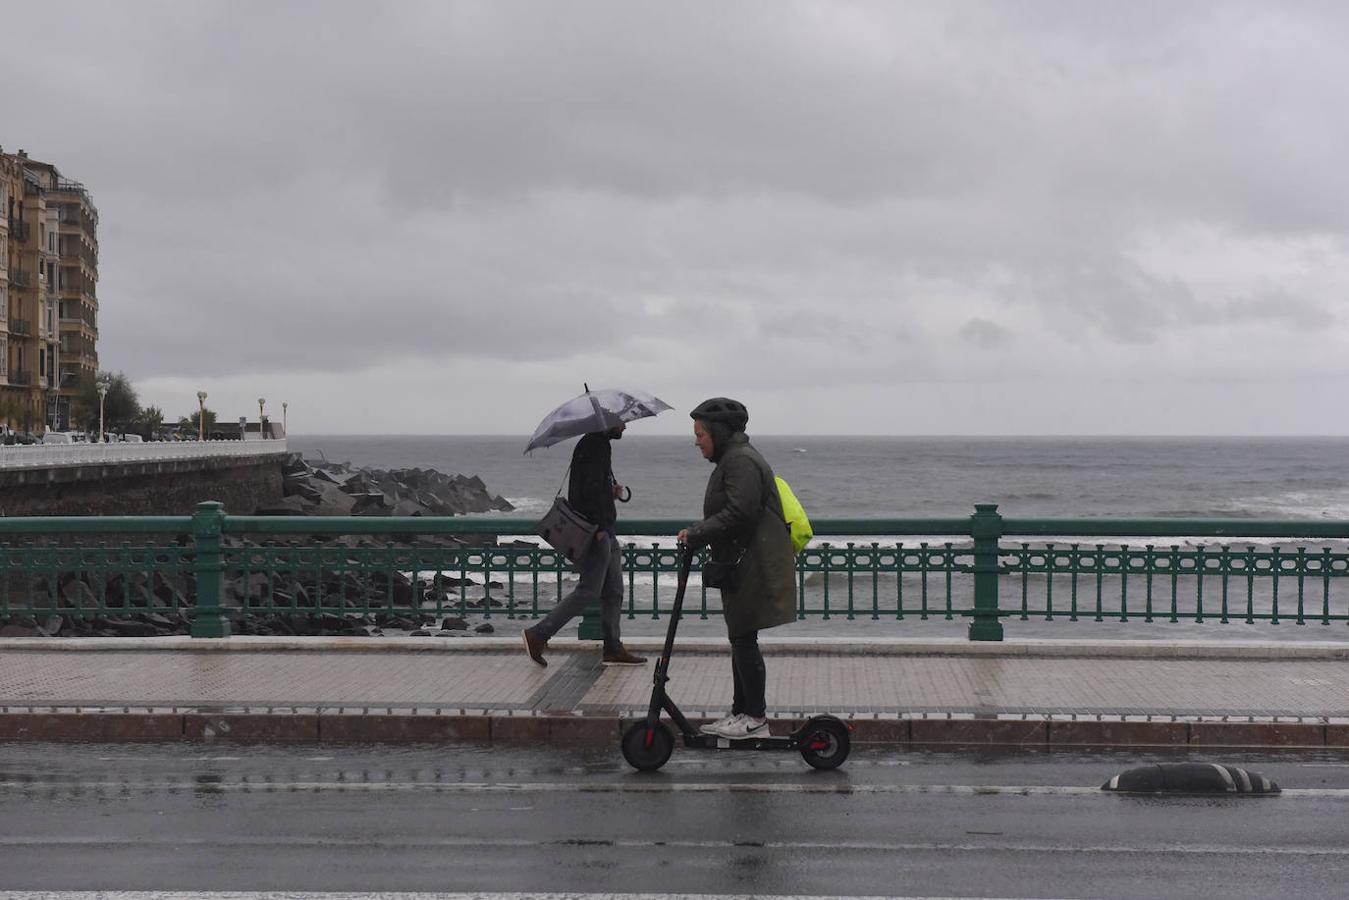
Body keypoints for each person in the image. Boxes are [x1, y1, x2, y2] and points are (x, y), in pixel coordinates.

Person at [677, 398, 796, 739]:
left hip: (753, 563)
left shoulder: (740, 461)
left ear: (717, 431)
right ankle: (741, 712)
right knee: (740, 637)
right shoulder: (734, 459)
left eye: (700, 434)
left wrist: (697, 533)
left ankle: (755, 718)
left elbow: (740, 512)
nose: (696, 441)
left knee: (744, 638)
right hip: (743, 561)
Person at [522, 422, 647, 667]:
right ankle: (538, 635)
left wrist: (610, 492)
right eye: (621, 422)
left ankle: (613, 647)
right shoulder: (594, 446)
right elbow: (587, 493)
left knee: (613, 591)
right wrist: (599, 528)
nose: (624, 427)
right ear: (606, 421)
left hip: (606, 530)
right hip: (597, 532)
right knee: (589, 590)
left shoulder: (598, 444)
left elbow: (592, 489)